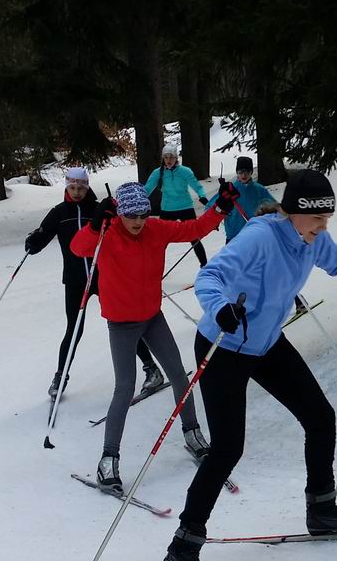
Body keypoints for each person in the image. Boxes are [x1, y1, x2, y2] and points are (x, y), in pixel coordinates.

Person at [158, 168, 337, 561]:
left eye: (327, 219)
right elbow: (210, 276)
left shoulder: (313, 240)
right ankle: (182, 549)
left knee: (320, 417)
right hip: (224, 344)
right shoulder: (260, 237)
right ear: (293, 212)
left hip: (265, 343)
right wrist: (220, 308)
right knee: (227, 448)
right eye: (318, 218)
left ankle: (322, 510)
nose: (323, 226)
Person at [70, 179, 240, 492]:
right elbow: (78, 248)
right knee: (124, 388)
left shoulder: (156, 229)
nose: (137, 222)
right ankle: (108, 459)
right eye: (131, 215)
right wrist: (94, 225)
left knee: (179, 375)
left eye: (143, 215)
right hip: (122, 324)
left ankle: (192, 433)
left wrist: (220, 208)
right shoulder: (107, 232)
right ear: (120, 213)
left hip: (152, 318)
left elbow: (193, 229)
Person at [24, 167, 162, 399]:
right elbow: (43, 234)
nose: (77, 191)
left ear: (87, 187)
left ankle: (151, 368)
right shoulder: (59, 212)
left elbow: (125, 229)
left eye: (81, 187)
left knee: (122, 323)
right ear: (66, 187)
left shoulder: (98, 210)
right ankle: (61, 376)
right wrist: (33, 243)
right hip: (75, 280)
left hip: (103, 277)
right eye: (72, 187)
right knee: (73, 329)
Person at [143, 143, 211, 266]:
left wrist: (202, 196)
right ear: (163, 158)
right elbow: (147, 189)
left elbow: (197, 186)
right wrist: (138, 199)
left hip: (185, 207)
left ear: (176, 158)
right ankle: (154, 267)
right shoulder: (158, 173)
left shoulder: (185, 171)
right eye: (166, 157)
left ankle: (205, 266)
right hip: (167, 209)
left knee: (194, 237)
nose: (168, 160)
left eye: (171, 157)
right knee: (161, 239)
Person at [223, 155, 276, 244]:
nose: (244, 175)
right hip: (233, 235)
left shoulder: (259, 190)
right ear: (237, 172)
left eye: (247, 172)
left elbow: (274, 207)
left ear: (251, 172)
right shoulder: (230, 189)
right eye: (241, 172)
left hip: (253, 234)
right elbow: (213, 207)